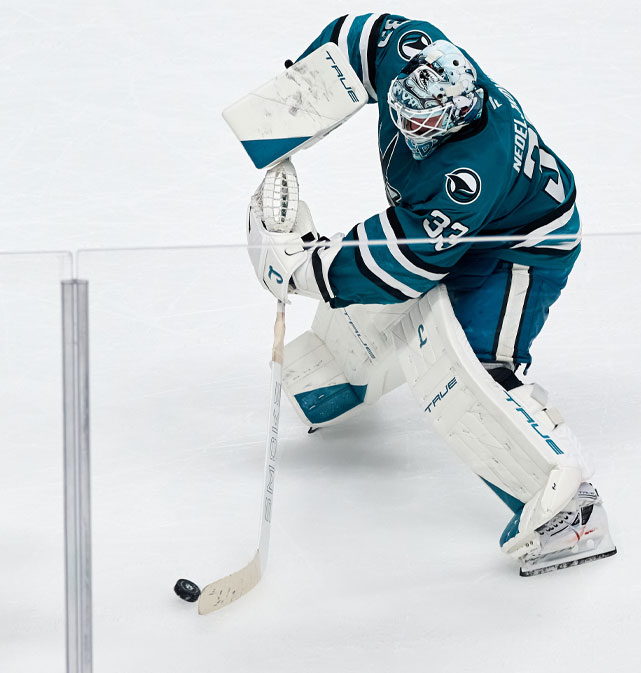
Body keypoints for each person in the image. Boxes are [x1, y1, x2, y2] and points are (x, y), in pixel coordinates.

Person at [245, 13, 617, 575]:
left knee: (472, 369)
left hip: (521, 249)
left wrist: (303, 270)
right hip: (473, 226)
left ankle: (568, 514)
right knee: (394, 308)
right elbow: (360, 35)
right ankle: (332, 374)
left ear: (457, 117)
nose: (410, 133)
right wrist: (295, 101)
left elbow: (404, 264)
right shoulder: (413, 51)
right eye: (403, 115)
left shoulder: (466, 176)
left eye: (424, 127)